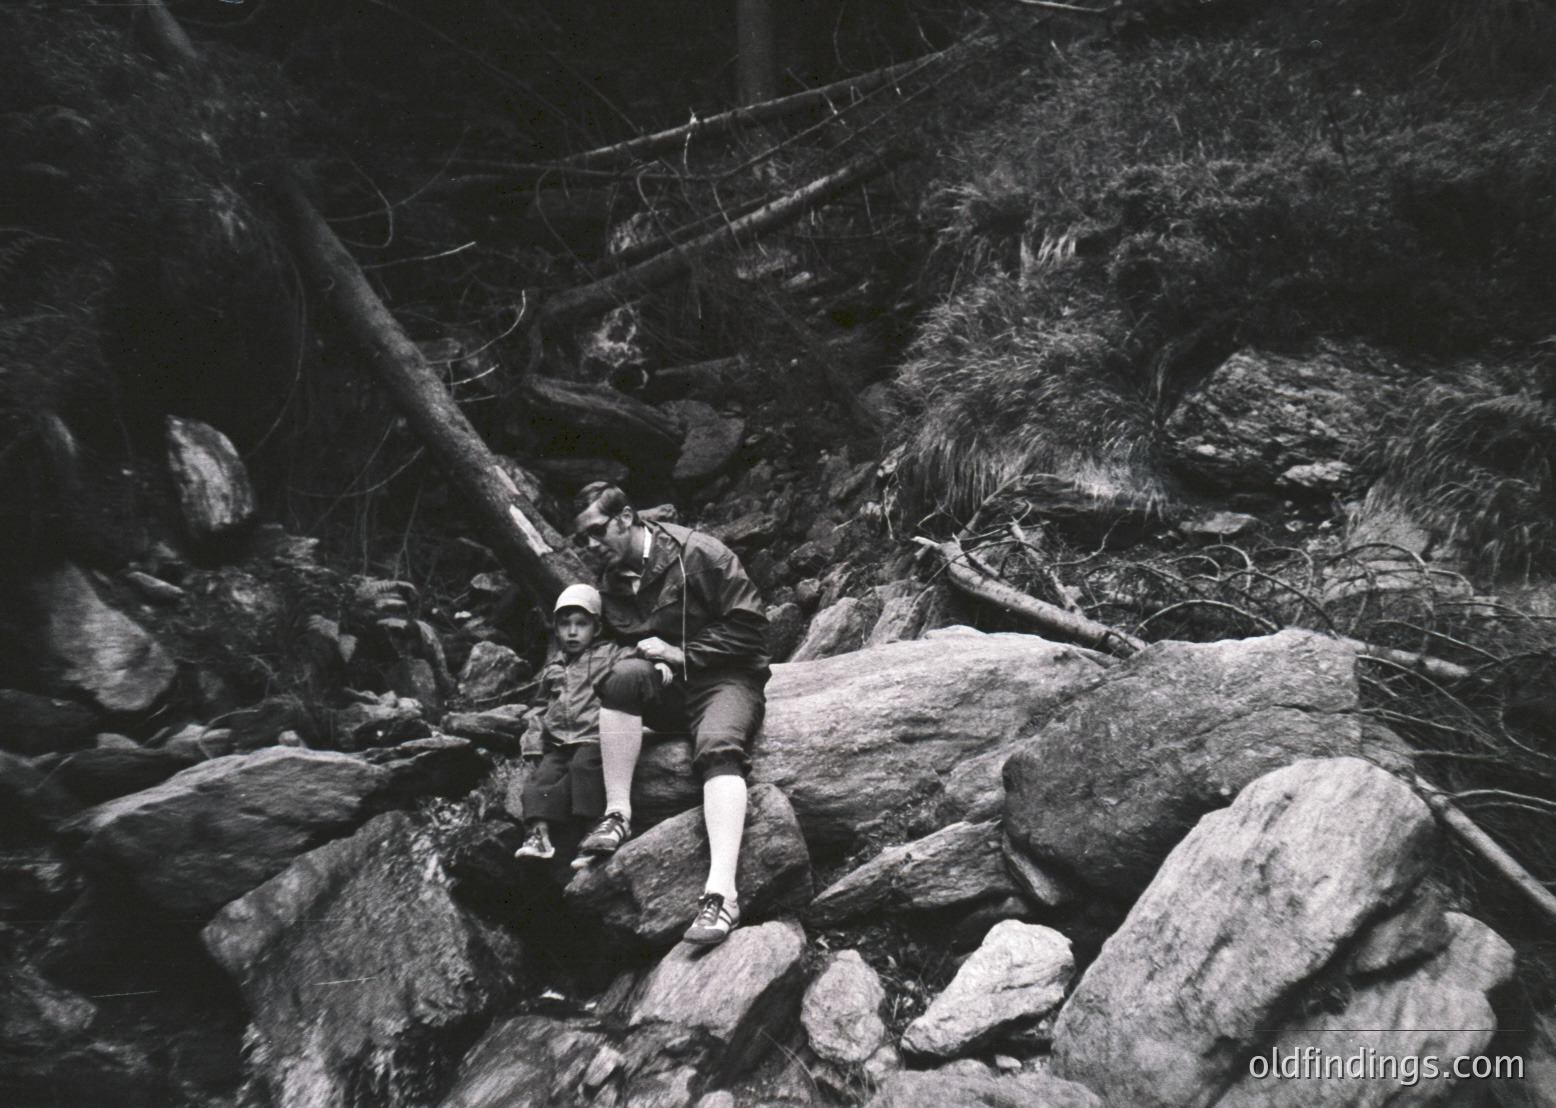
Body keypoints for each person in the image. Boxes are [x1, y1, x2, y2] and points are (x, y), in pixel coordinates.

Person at [570, 482, 769, 945]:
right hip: (671, 684)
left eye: (596, 532)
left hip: (728, 678)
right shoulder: (612, 577)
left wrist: (680, 654)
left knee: (717, 748)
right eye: (582, 538)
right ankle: (618, 814)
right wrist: (653, 666)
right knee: (619, 679)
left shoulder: (699, 553)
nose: (590, 546)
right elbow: (627, 641)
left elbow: (753, 635)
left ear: (624, 518)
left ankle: (722, 896)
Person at [514, 583, 634, 861]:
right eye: (565, 624)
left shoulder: (609, 654)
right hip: (559, 741)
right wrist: (533, 741)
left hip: (594, 736)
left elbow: (634, 659)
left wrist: (660, 660)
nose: (572, 632)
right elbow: (540, 707)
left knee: (584, 770)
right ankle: (539, 835)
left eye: (581, 624)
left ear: (597, 628)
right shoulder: (554, 667)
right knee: (540, 780)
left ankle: (594, 833)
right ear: (555, 629)